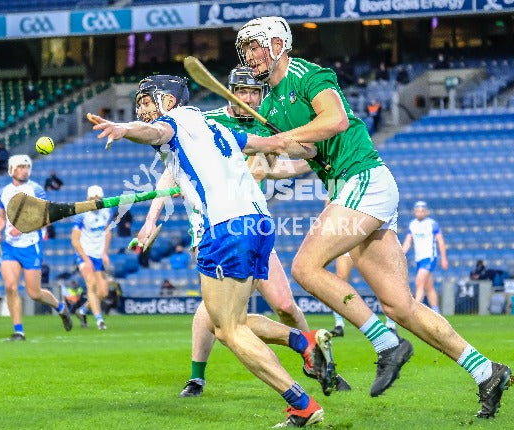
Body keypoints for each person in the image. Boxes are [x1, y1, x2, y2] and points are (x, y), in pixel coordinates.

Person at [235, 16, 514, 417]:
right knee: (400, 306)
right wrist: (268, 166)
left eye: (257, 44)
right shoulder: (273, 103)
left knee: (305, 267)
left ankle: (386, 344)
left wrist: (274, 143)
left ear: (280, 43)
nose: (251, 54)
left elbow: (337, 121)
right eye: (246, 48)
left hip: (362, 179)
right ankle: (487, 371)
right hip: (350, 187)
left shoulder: (306, 74)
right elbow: (308, 155)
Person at [88, 74, 335, 427]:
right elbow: (268, 144)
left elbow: (155, 134)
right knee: (228, 320)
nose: (142, 109)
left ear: (169, 102)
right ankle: (302, 341)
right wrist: (313, 150)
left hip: (223, 229)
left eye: (148, 101)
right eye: (139, 103)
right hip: (259, 223)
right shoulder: (212, 125)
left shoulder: (170, 123)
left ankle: (302, 403)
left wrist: (124, 129)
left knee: (229, 329)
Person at [0, 154, 72, 341]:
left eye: (27, 167)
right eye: (20, 167)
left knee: (34, 293)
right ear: (12, 169)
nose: (24, 170)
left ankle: (60, 307)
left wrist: (23, 227)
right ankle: (19, 331)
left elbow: (45, 219)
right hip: (10, 247)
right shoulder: (4, 191)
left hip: (31, 246)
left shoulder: (36, 190)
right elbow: (1, 217)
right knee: (11, 287)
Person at [70, 185, 112, 330]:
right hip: (84, 254)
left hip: (98, 255)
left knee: (103, 292)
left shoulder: (107, 211)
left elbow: (107, 232)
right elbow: (75, 240)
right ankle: (99, 320)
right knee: (91, 284)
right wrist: (86, 260)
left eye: (98, 199)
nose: (95, 202)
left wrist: (105, 253)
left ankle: (82, 311)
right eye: (92, 199)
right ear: (88, 199)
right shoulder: (81, 214)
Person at [401, 201, 448, 314]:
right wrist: (401, 254)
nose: (420, 213)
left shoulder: (432, 224)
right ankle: (436, 312)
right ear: (414, 212)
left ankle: (414, 312)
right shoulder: (413, 224)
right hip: (419, 259)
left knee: (419, 282)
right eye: (418, 211)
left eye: (422, 211)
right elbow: (408, 241)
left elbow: (440, 241)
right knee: (429, 286)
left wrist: (444, 258)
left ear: (426, 212)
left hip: (429, 257)